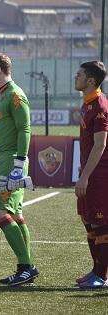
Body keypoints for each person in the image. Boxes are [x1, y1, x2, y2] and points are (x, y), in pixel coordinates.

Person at [0, 53, 38, 286]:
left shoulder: (15, 95)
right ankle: (26, 267)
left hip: (10, 159)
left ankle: (27, 266)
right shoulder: (5, 95)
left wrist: (18, 163)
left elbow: (25, 129)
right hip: (6, 158)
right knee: (15, 214)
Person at [73, 61, 108, 289]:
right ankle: (96, 270)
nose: (76, 77)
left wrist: (85, 176)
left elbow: (100, 145)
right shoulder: (87, 104)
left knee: (101, 224)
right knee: (88, 221)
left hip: (99, 176)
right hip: (88, 173)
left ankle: (102, 276)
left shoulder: (100, 106)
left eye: (80, 74)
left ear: (91, 80)